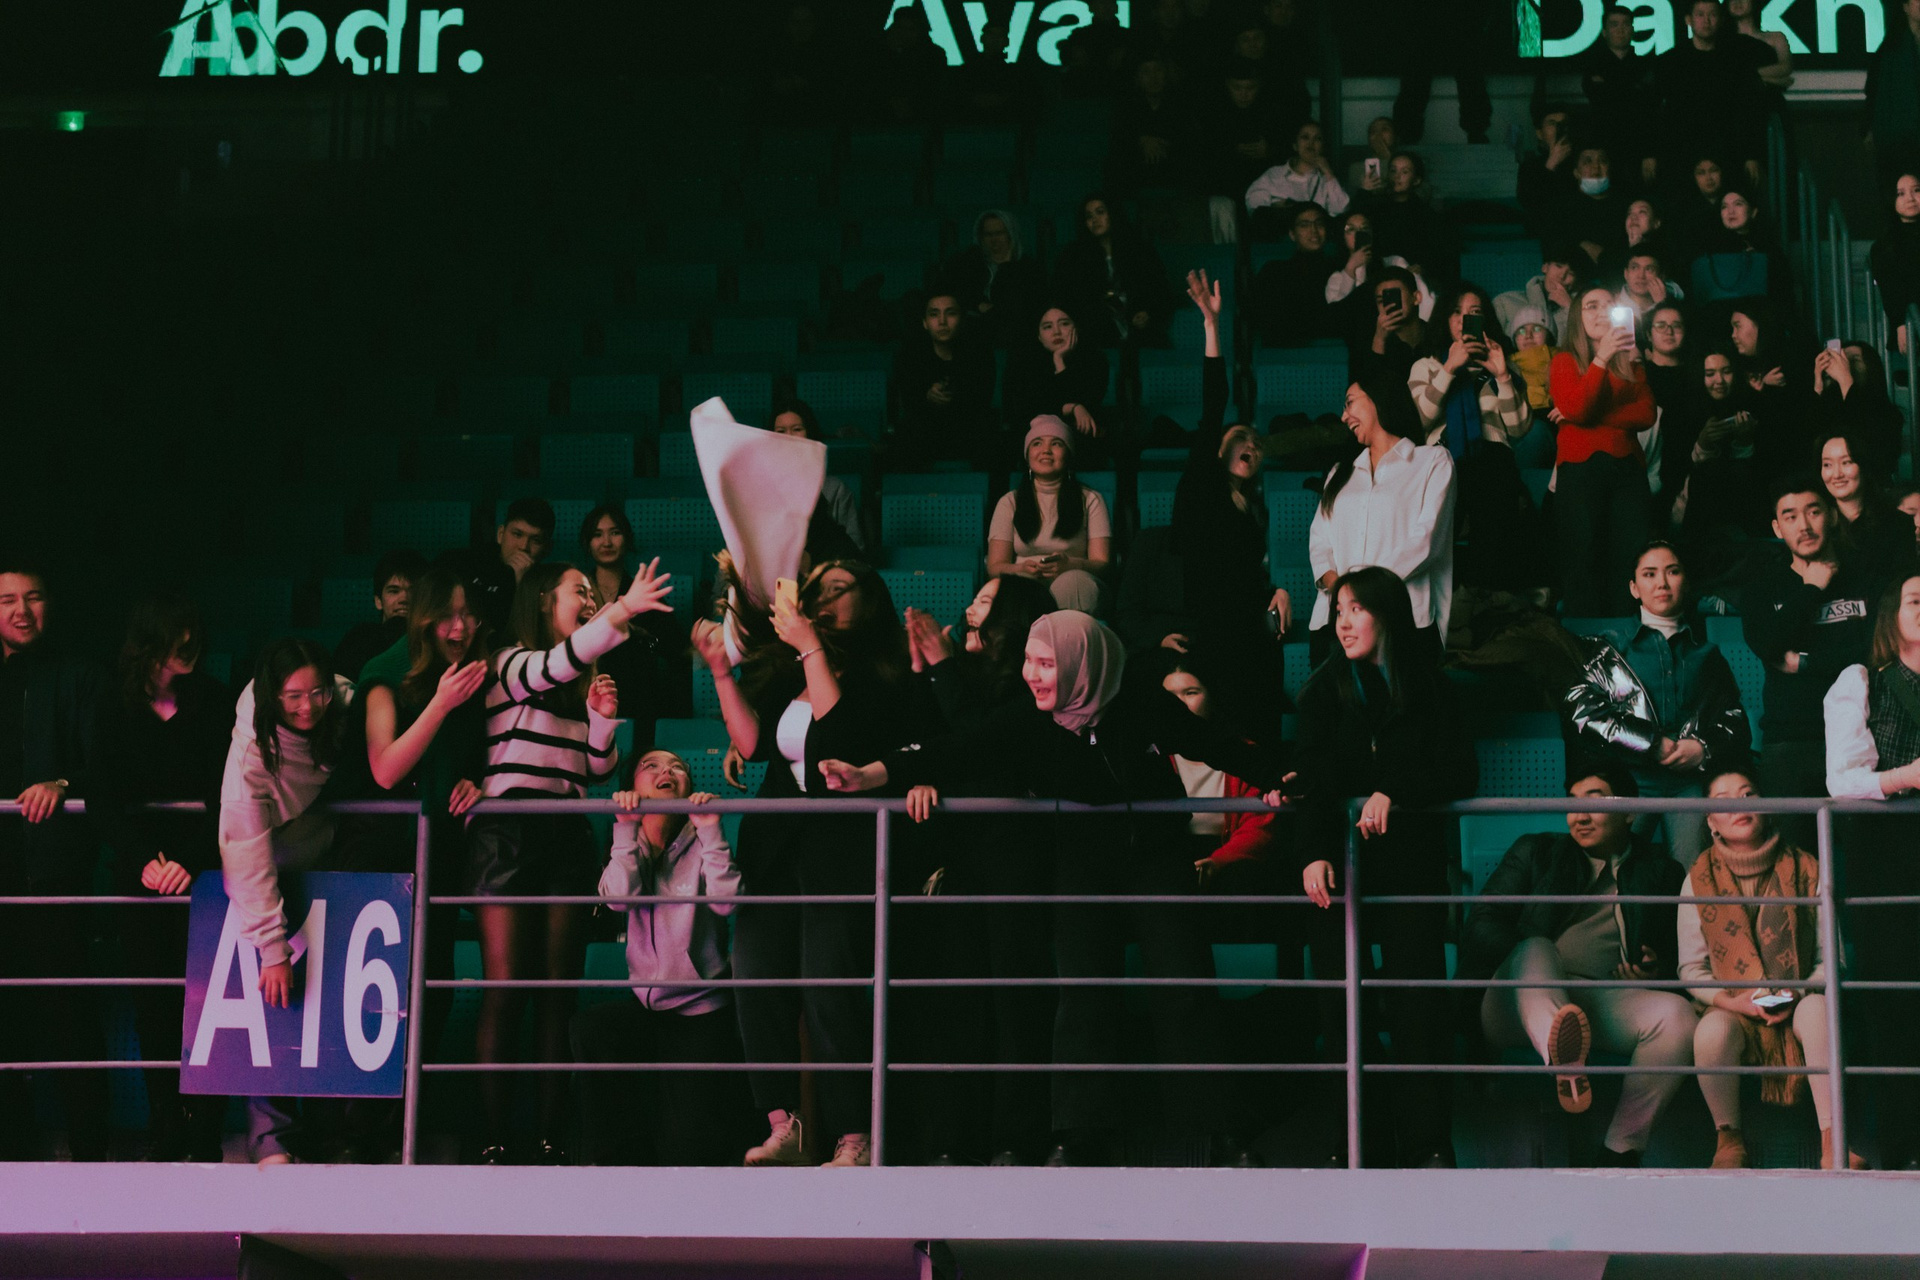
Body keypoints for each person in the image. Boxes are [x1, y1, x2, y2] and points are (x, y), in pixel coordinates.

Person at [819, 611, 1292, 1168]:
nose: (1032, 675)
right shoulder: (1027, 718)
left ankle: (1221, 1132)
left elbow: (1211, 742)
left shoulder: (1138, 700)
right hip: (1081, 863)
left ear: (1083, 665)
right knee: (1083, 993)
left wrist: (1276, 780)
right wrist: (869, 774)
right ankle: (1078, 1135)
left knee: (1184, 985)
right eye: (1029, 661)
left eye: (1046, 664)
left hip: (1156, 859)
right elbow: (956, 749)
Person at [692, 560, 918, 1169]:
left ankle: (854, 1136)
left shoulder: (883, 675)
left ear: (869, 601)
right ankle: (782, 1126)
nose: (823, 598)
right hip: (776, 848)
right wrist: (721, 672)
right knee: (757, 979)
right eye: (818, 590)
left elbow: (840, 738)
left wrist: (811, 647)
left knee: (828, 992)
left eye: (839, 589)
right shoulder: (792, 668)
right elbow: (752, 745)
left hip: (840, 853)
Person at [467, 557, 675, 1165]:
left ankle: (552, 1137)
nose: (588, 600)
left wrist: (602, 725)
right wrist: (622, 610)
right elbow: (555, 663)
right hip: (507, 832)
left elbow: (598, 771)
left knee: (558, 992)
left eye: (592, 593)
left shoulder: (581, 676)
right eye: (577, 591)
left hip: (565, 831)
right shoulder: (509, 661)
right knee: (507, 989)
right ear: (541, 600)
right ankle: (493, 1137)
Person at [1297, 567, 1477, 1166]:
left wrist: (1396, 790)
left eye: (1356, 609)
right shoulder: (1320, 691)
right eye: (1338, 611)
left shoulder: (1432, 687)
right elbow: (1314, 782)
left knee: (1417, 1010)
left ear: (1389, 616)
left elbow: (1460, 772)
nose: (1343, 623)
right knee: (1340, 1010)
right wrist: (1314, 852)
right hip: (1337, 876)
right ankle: (1356, 1145)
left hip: (1409, 871)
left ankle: (1428, 1148)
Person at [900, 576, 1058, 1164]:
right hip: (960, 858)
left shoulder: (1030, 685)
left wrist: (943, 668)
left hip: (1018, 860)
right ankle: (951, 1142)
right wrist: (924, 672)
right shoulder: (958, 676)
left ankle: (1015, 1142)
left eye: (985, 602)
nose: (969, 609)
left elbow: (983, 743)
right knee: (957, 1003)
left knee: (1015, 1004)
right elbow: (926, 741)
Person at [1462, 768, 1695, 1167]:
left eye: (1594, 801)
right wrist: (1534, 961)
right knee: (1536, 947)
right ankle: (1561, 1053)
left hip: (1595, 1005)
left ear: (1629, 812)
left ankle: (1620, 1151)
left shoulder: (1661, 872)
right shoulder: (1537, 851)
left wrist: (1654, 970)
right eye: (1572, 803)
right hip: (1516, 1000)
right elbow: (1481, 923)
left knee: (1678, 1016)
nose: (1580, 816)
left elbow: (1680, 956)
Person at [95, 593, 234, 1162]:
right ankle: (166, 1126)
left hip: (206, 870)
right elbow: (102, 798)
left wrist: (191, 860)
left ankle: (205, 1131)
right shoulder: (115, 702)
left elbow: (229, 796)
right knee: (153, 1004)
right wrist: (142, 862)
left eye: (194, 634)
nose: (190, 646)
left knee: (210, 1001)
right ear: (151, 640)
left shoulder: (215, 700)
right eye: (178, 636)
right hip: (142, 876)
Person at [569, 751, 751, 1166]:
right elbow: (618, 899)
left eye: (677, 767)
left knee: (687, 1152)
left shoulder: (702, 838)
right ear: (632, 786)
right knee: (591, 1028)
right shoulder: (628, 842)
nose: (667, 771)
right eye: (651, 765)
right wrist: (625, 829)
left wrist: (711, 831)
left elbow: (728, 903)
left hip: (702, 1012)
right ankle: (611, 1167)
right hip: (647, 1011)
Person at [217, 637, 354, 1167]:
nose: (307, 707)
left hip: (329, 860)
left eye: (317, 692)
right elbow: (245, 850)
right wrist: (272, 948)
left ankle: (325, 1134)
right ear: (272, 696)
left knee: (328, 1003)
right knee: (272, 1000)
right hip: (269, 873)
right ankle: (270, 1136)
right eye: (293, 696)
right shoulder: (252, 751)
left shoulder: (344, 700)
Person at [1683, 770, 1858, 1170]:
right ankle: (1728, 1141)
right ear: (1711, 822)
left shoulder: (1807, 868)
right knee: (1712, 1030)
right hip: (1735, 1005)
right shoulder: (1697, 879)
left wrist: (1796, 992)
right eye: (1724, 800)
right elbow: (1692, 969)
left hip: (1798, 1000)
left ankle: (1833, 1140)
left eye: (1748, 794)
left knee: (1818, 1011)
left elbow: (1831, 960)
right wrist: (1735, 1003)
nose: (1740, 805)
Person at [0, 564, 112, 1162]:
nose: (21, 610)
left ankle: (91, 1153)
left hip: (55, 875)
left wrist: (63, 783)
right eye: (7, 600)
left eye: (33, 597)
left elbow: (109, 763)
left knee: (70, 1012)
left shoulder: (82, 675)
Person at [1564, 542, 1750, 861]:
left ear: (1685, 582)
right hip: (1626, 778)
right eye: (1649, 574)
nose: (1662, 583)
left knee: (1695, 872)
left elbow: (1734, 718)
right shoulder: (1610, 647)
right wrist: (1651, 744)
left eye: (1672, 572)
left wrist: (1702, 748)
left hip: (1689, 782)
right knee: (1612, 871)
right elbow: (1584, 711)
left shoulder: (1706, 654)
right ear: (1634, 588)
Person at [1824, 572, 1920, 1168]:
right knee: (1893, 1006)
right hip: (1887, 857)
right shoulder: (1861, 681)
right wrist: (1908, 776)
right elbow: (1842, 780)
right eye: (1916, 599)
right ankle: (1897, 1148)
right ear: (1893, 614)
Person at [1171, 270, 1291, 721]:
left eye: (1257, 446)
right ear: (1220, 450)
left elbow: (1243, 578)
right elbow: (1214, 404)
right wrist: (1211, 326)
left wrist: (1277, 591)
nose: (1251, 448)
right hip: (1211, 630)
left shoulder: (1250, 510)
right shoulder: (1203, 486)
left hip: (1246, 629)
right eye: (1241, 440)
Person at [1745, 478, 1879, 819]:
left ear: (1832, 516)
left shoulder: (1865, 575)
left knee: (1864, 848)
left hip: (1864, 734)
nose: (1803, 525)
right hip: (1791, 740)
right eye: (1790, 517)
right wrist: (1810, 589)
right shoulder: (1762, 586)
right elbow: (1767, 645)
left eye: (1813, 512)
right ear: (1777, 528)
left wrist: (1805, 663)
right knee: (1795, 852)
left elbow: (1876, 652)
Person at [1309, 372, 1456, 658]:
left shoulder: (1432, 462)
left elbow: (1426, 541)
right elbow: (1319, 543)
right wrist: (1342, 592)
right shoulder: (1339, 473)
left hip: (1403, 620)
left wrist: (1361, 593)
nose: (1344, 416)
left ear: (1378, 398)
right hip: (1337, 624)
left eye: (1349, 403)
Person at [1551, 284, 1657, 616]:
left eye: (1608, 305)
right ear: (1577, 318)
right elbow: (1579, 407)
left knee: (1630, 554)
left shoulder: (1631, 363)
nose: (1601, 312)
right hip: (1580, 471)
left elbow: (1647, 414)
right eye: (1591, 306)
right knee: (1582, 556)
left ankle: (1629, 630)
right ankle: (1584, 636)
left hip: (1627, 471)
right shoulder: (1564, 361)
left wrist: (1585, 416)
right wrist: (1601, 358)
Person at [987, 417, 1112, 613]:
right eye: (1037, 443)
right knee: (1021, 588)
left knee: (1072, 583)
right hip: (1027, 581)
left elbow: (1102, 564)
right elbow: (995, 566)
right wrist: (1021, 569)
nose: (1046, 450)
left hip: (1075, 580)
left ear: (1068, 454)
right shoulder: (1009, 502)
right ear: (1027, 455)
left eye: (1056, 443)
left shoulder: (1091, 499)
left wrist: (1070, 565)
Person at [1652, 0, 1769, 191]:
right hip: (1681, 152)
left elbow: (1747, 110)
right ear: (1688, 20)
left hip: (1727, 151)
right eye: (1700, 14)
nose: (1706, 20)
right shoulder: (1669, 62)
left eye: (1712, 14)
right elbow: (1654, 111)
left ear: (1720, 20)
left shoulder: (1735, 62)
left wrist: (1750, 155)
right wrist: (1651, 153)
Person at [887, 292, 999, 473]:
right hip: (926, 429)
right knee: (906, 433)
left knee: (988, 430)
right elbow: (910, 403)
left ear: (962, 319)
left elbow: (981, 400)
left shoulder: (980, 355)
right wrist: (927, 395)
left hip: (967, 428)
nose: (942, 321)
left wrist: (955, 394)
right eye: (934, 314)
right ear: (925, 322)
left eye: (950, 313)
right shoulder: (910, 357)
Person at [1051, 195, 1174, 350]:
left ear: (1112, 214)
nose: (1094, 220)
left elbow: (1160, 290)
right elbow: (1067, 297)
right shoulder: (1074, 256)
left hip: (1139, 329)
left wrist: (1147, 313)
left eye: (1100, 212)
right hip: (1096, 331)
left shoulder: (1139, 250)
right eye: (1089, 216)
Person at [1002, 305, 1112, 465]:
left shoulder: (1096, 361)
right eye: (1047, 327)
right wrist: (1072, 407)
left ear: (1076, 327)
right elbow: (1028, 409)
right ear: (1039, 336)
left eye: (1064, 323)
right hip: (1035, 432)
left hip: (1081, 435)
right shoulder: (1025, 365)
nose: (1057, 332)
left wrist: (1059, 361)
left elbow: (1088, 403)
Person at [941, 211, 1046, 352]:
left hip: (1014, 334)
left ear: (1010, 235)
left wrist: (1007, 266)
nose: (994, 239)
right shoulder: (970, 262)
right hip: (974, 331)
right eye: (988, 234)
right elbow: (955, 292)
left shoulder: (1028, 268)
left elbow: (1016, 306)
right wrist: (978, 305)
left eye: (999, 233)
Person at [1816, 431, 1914, 579]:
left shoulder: (1898, 524)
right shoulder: (1816, 525)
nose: (1836, 474)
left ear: (1864, 465)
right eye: (1827, 465)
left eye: (1846, 462)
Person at [769, 402, 864, 551]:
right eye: (781, 431)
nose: (789, 437)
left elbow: (855, 549)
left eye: (797, 429)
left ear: (809, 433)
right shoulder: (760, 488)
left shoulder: (835, 489)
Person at [1580, 7, 1659, 180]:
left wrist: (1650, 153)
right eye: (1614, 24)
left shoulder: (1646, 66)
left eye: (1625, 24)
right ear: (1604, 32)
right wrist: (1632, 91)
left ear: (1632, 30)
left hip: (1639, 149)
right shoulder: (1592, 66)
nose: (1620, 30)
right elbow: (1601, 102)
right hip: (1604, 149)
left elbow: (1651, 113)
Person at [1249, 201, 1341, 347]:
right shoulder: (1274, 271)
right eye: (1304, 225)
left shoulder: (1341, 268)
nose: (1313, 230)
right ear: (1292, 234)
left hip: (1333, 346)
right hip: (1287, 350)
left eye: (1319, 224)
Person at [459, 498, 555, 635]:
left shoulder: (551, 585)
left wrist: (523, 585)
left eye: (536, 540)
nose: (523, 546)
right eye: (517, 534)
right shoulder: (469, 565)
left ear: (547, 548)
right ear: (500, 535)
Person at [1813, 344, 1904, 483]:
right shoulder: (1827, 409)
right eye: (1841, 358)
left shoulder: (1888, 415)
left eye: (1854, 359)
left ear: (1871, 368)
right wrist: (1818, 387)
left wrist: (1846, 381)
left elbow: (1868, 450)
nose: (1845, 364)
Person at [334, 549, 428, 683]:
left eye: (413, 591)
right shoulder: (359, 640)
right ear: (378, 601)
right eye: (394, 591)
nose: (404, 599)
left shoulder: (432, 640)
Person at [1244, 120, 1349, 234]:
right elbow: (1256, 210)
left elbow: (1341, 209)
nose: (1311, 143)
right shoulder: (1274, 174)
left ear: (1322, 146)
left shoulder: (1327, 181)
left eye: (1317, 139)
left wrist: (1328, 172)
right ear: (1295, 145)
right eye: (1305, 137)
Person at [1692, 188, 1790, 309]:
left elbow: (1782, 297)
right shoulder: (1709, 250)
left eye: (1738, 204)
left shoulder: (1769, 250)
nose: (1730, 211)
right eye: (1724, 207)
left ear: (1753, 212)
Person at [1864, 8, 1920, 194]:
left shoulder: (1893, 46)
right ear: (1905, 7)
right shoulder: (1891, 49)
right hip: (1900, 142)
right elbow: (1875, 92)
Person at [1549, 145, 1631, 267]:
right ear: (1576, 172)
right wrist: (1583, 245)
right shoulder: (1563, 207)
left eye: (1602, 161)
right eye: (1587, 162)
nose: (1596, 168)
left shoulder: (1626, 206)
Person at [1870, 172, 1919, 357]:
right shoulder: (1885, 246)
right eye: (1901, 193)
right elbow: (1891, 287)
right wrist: (1900, 323)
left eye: (1917, 190)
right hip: (1910, 321)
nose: (1910, 198)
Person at [1353, 266, 1430, 384]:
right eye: (1381, 301)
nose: (1388, 305)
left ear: (1416, 298)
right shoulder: (1369, 342)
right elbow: (1369, 388)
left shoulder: (1436, 334)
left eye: (1394, 296)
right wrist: (1379, 341)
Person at [1494, 244, 1581, 348]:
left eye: (1571, 273)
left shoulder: (1581, 309)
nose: (1562, 276)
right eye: (1558, 266)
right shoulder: (1504, 302)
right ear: (1545, 267)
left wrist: (1570, 308)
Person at [1517, 104, 1577, 240]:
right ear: (1540, 133)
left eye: (1564, 124)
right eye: (1552, 124)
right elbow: (1529, 202)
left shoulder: (1581, 161)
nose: (1558, 128)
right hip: (1544, 234)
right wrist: (1551, 165)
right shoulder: (1530, 167)